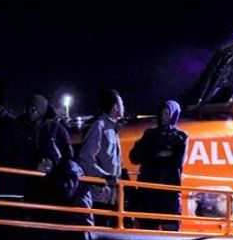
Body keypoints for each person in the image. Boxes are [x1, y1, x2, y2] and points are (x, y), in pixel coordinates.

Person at [129, 100, 188, 231]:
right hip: (148, 192)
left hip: (169, 193)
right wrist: (159, 153)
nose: (163, 117)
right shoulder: (149, 134)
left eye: (167, 113)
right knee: (147, 230)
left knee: (171, 231)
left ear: (174, 115)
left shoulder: (180, 137)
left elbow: (177, 161)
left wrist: (151, 154)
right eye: (161, 113)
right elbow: (135, 157)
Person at [78, 89, 124, 212]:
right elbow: (85, 158)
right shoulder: (99, 126)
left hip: (111, 195)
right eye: (121, 103)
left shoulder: (113, 128)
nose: (123, 107)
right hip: (99, 195)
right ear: (115, 106)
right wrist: (103, 176)